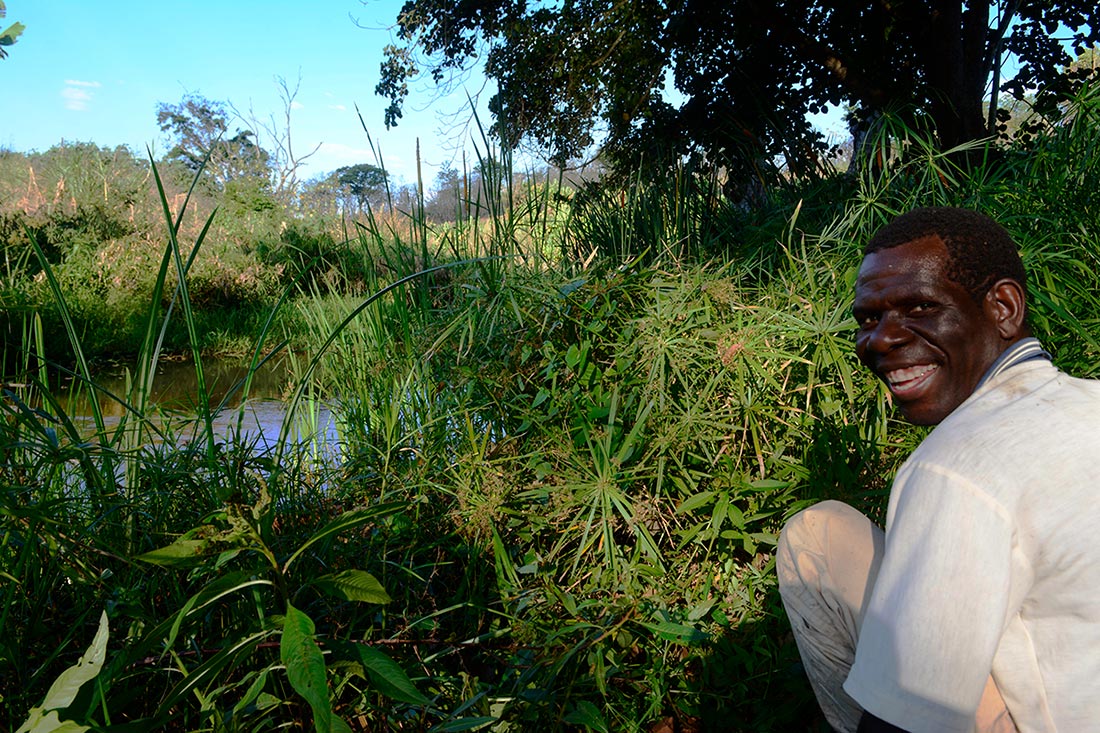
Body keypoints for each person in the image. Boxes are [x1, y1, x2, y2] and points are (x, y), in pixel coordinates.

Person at [776, 207, 1100, 733]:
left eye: (921, 307)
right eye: (868, 318)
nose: (880, 340)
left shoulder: (955, 466)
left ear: (1003, 307)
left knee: (815, 535)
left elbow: (900, 725)